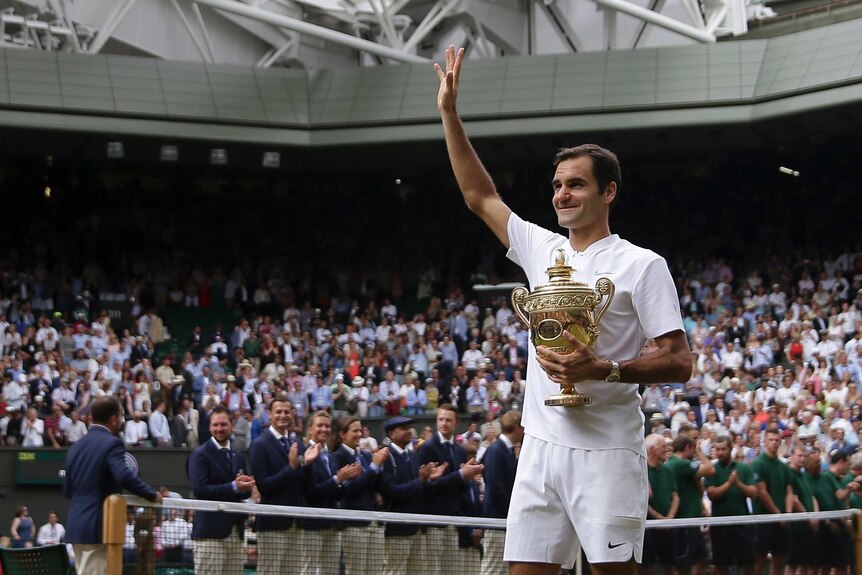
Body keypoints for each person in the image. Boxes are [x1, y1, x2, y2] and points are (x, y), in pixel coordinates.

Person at [434, 45, 691, 575]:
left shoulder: (642, 265)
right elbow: (479, 196)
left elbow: (679, 360)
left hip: (608, 453)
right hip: (540, 448)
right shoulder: (540, 248)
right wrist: (449, 115)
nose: (562, 194)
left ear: (608, 191)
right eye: (557, 185)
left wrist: (605, 369)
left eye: (576, 184)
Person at [63, 396, 162, 574]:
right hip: (98, 527)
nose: (122, 421)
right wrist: (152, 494)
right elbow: (123, 475)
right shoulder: (112, 443)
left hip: (77, 526)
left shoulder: (75, 447)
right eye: (121, 416)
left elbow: (68, 490)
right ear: (114, 419)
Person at [248, 395, 321, 575]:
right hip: (273, 524)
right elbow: (264, 486)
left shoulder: (297, 444)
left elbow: (305, 483)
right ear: (269, 414)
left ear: (293, 414)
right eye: (278, 412)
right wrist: (291, 467)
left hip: (296, 523)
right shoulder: (259, 445)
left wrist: (307, 464)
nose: (283, 415)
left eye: (287, 412)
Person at [187, 405, 255, 575]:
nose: (219, 429)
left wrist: (246, 488)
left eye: (223, 424)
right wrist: (234, 486)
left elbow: (242, 493)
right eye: (215, 425)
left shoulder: (238, 456)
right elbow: (200, 490)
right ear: (210, 427)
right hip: (210, 534)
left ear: (231, 425)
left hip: (235, 532)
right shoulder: (200, 454)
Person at [416, 403, 484, 572]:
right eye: (440, 419)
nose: (444, 423)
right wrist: (461, 475)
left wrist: (467, 478)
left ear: (456, 422)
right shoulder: (427, 448)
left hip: (454, 522)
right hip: (433, 522)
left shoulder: (459, 450)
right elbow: (428, 486)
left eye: (448, 420)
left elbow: (458, 488)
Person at [379, 415, 448, 575]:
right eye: (403, 428)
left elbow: (419, 488)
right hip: (397, 529)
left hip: (416, 527)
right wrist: (421, 480)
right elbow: (390, 491)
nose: (408, 431)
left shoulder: (412, 455)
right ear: (391, 433)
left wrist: (429, 480)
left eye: (409, 428)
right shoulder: (386, 457)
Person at [331, 415, 390, 575]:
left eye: (360, 430)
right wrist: (374, 467)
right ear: (343, 434)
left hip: (374, 521)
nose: (359, 434)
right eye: (354, 431)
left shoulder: (365, 455)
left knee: (376, 571)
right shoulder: (338, 457)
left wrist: (381, 464)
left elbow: (377, 485)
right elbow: (350, 490)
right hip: (355, 525)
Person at [705, 435, 756, 575]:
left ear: (731, 448)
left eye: (723, 449)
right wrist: (729, 484)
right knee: (721, 565)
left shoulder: (744, 468)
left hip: (742, 523)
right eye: (718, 449)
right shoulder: (712, 470)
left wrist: (738, 484)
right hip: (720, 524)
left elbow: (753, 493)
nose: (720, 452)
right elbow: (711, 494)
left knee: (748, 563)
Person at [481, 410, 523, 575]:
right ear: (517, 427)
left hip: (504, 522)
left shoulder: (507, 449)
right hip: (496, 521)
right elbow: (496, 487)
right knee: (492, 568)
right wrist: (513, 511)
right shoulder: (496, 450)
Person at [666, 435, 714, 575]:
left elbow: (700, 490)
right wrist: (699, 452)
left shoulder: (682, 466)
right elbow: (710, 469)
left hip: (692, 519)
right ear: (688, 447)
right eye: (693, 449)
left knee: (701, 558)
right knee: (684, 564)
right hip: (685, 521)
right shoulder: (679, 463)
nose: (694, 453)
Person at [751, 427, 794, 575]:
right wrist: (778, 514)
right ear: (764, 442)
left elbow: (789, 491)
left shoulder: (783, 466)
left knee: (780, 559)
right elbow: (761, 492)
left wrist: (787, 514)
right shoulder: (758, 463)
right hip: (764, 518)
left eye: (777, 440)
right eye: (771, 440)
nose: (774, 443)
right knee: (760, 559)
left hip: (782, 519)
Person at [641, 434, 677, 575]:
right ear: (652, 449)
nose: (667, 449)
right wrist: (659, 519)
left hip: (668, 528)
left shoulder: (667, 470)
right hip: (648, 528)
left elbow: (675, 496)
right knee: (646, 566)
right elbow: (642, 501)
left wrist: (669, 519)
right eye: (663, 446)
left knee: (669, 564)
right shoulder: (641, 470)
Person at [786, 446, 819, 575]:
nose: (802, 459)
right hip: (797, 526)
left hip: (809, 526)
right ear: (792, 456)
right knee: (792, 564)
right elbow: (794, 500)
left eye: (804, 456)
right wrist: (808, 517)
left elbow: (812, 497)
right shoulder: (789, 474)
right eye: (799, 456)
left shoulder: (804, 475)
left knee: (807, 563)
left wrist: (816, 515)